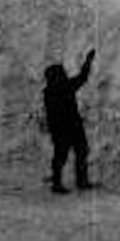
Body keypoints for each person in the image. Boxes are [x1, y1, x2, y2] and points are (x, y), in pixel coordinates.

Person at [43, 49, 96, 194]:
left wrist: (88, 62)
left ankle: (64, 182)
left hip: (66, 128)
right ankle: (68, 182)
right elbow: (82, 77)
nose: (65, 74)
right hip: (66, 128)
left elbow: (81, 78)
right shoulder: (61, 89)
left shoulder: (53, 91)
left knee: (73, 153)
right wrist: (88, 62)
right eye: (62, 73)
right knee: (69, 154)